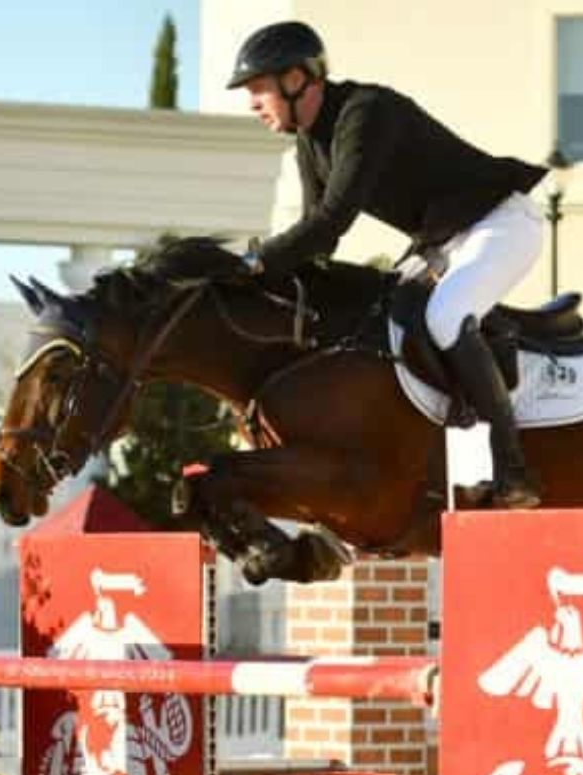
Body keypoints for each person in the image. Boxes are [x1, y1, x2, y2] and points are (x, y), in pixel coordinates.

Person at [228, 20, 546, 509]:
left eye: (257, 89)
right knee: (382, 315)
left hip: (501, 220)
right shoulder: (309, 143)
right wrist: (260, 281)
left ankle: (513, 470)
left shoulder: (365, 112)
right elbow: (317, 240)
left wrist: (255, 262)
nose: (252, 104)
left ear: (295, 79)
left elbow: (333, 220)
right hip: (444, 240)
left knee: (445, 317)